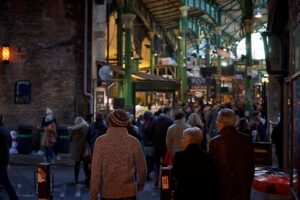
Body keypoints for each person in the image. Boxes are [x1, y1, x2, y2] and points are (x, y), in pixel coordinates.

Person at [90, 109, 147, 200]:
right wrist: (141, 183)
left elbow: (96, 172)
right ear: (126, 123)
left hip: (108, 193)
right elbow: (142, 168)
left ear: (109, 122)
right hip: (128, 192)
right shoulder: (133, 142)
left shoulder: (100, 142)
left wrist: (93, 195)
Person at [209, 108, 254, 200]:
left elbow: (213, 170)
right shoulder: (246, 139)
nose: (216, 123)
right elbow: (251, 165)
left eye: (217, 120)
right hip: (243, 188)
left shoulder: (215, 142)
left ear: (222, 122)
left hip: (223, 190)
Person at [172, 127, 218, 200]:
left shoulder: (179, 156)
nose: (181, 141)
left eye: (183, 138)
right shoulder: (208, 157)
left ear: (190, 141)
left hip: (184, 194)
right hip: (204, 195)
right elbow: (213, 179)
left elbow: (174, 175)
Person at [0, 113, 18, 200]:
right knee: (3, 179)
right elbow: (10, 145)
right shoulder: (6, 130)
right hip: (4, 158)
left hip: (1, 159)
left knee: (5, 181)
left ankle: (14, 197)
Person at [68, 116, 90, 186]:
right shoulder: (86, 127)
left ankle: (76, 179)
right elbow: (88, 137)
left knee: (77, 164)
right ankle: (87, 178)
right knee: (85, 164)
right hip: (84, 148)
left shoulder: (73, 129)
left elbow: (70, 139)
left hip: (76, 148)